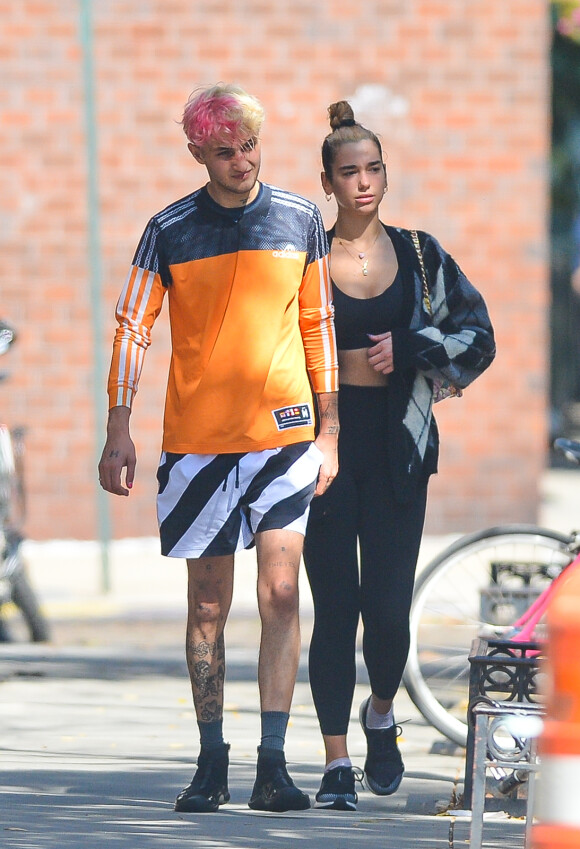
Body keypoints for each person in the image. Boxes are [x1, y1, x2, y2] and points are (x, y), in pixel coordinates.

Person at [98, 83, 339, 813]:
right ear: (197, 152)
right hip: (198, 446)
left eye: (250, 145)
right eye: (225, 150)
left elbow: (318, 322)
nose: (242, 160)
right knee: (207, 605)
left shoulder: (299, 218)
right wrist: (117, 423)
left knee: (280, 591)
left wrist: (330, 431)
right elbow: (132, 326)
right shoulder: (168, 228)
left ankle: (274, 763)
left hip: (286, 437)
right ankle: (211, 760)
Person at [303, 101, 495, 811]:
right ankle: (334, 761)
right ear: (326, 181)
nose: (363, 182)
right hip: (324, 445)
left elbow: (478, 335)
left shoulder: (420, 253)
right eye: (348, 171)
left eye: (373, 168)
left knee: (386, 610)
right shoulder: (306, 259)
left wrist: (413, 347)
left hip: (400, 441)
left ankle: (381, 711)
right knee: (337, 606)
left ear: (386, 174)